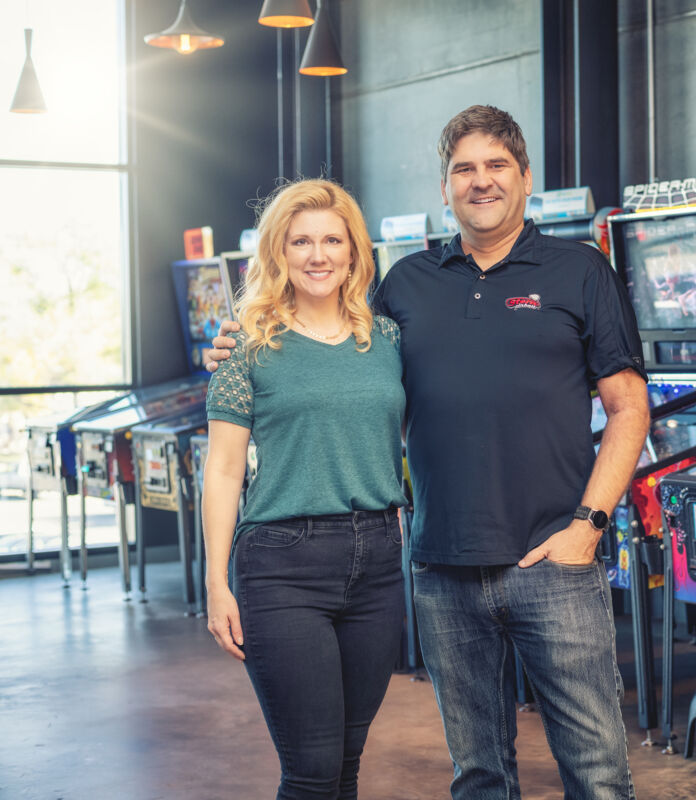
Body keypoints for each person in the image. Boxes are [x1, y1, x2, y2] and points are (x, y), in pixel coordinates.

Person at [210, 106, 649, 800]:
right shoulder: (405, 287)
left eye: (496, 165)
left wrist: (588, 526)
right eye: (463, 169)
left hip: (554, 562)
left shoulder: (581, 271)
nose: (481, 181)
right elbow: (333, 356)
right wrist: (240, 344)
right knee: (478, 775)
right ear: (444, 187)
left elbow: (629, 408)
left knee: (596, 775)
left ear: (525, 176)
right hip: (441, 568)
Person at [203, 178, 408, 799]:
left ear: (353, 251)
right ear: (279, 253)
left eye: (332, 241)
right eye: (301, 242)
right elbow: (223, 470)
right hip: (282, 564)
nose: (318, 256)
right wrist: (215, 582)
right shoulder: (246, 347)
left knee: (346, 763)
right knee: (312, 770)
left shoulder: (387, 339)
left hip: (378, 561)